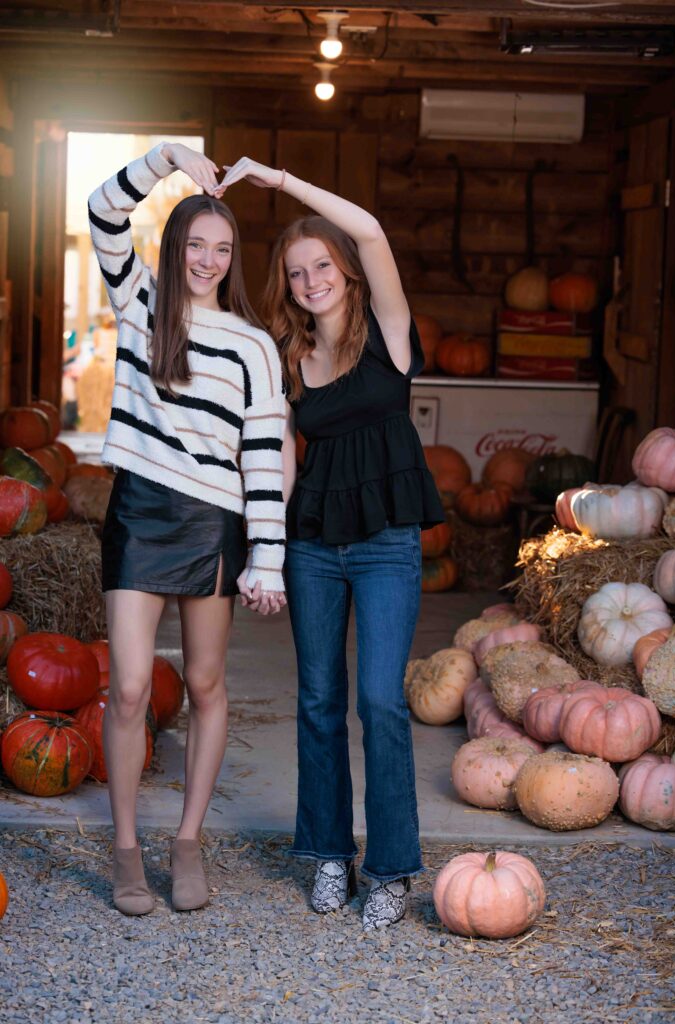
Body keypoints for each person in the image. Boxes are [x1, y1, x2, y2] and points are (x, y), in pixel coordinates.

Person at [221, 157, 444, 931]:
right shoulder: (289, 357)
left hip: (385, 542)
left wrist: (279, 182)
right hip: (314, 544)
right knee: (317, 702)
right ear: (286, 286)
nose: (311, 278)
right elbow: (281, 459)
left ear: (345, 272)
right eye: (296, 271)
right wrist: (267, 552)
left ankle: (388, 870)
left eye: (321, 265)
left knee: (380, 701)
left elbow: (373, 230)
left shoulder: (388, 335)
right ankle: (324, 854)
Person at [88, 142, 286, 916]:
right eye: (196, 245)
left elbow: (264, 458)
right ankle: (128, 850)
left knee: (204, 683)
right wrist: (169, 159)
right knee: (132, 687)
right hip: (140, 511)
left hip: (213, 522)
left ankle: (187, 842)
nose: (208, 259)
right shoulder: (138, 300)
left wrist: (265, 556)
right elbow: (103, 211)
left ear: (233, 258)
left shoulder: (254, 345)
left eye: (222, 249)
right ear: (175, 248)